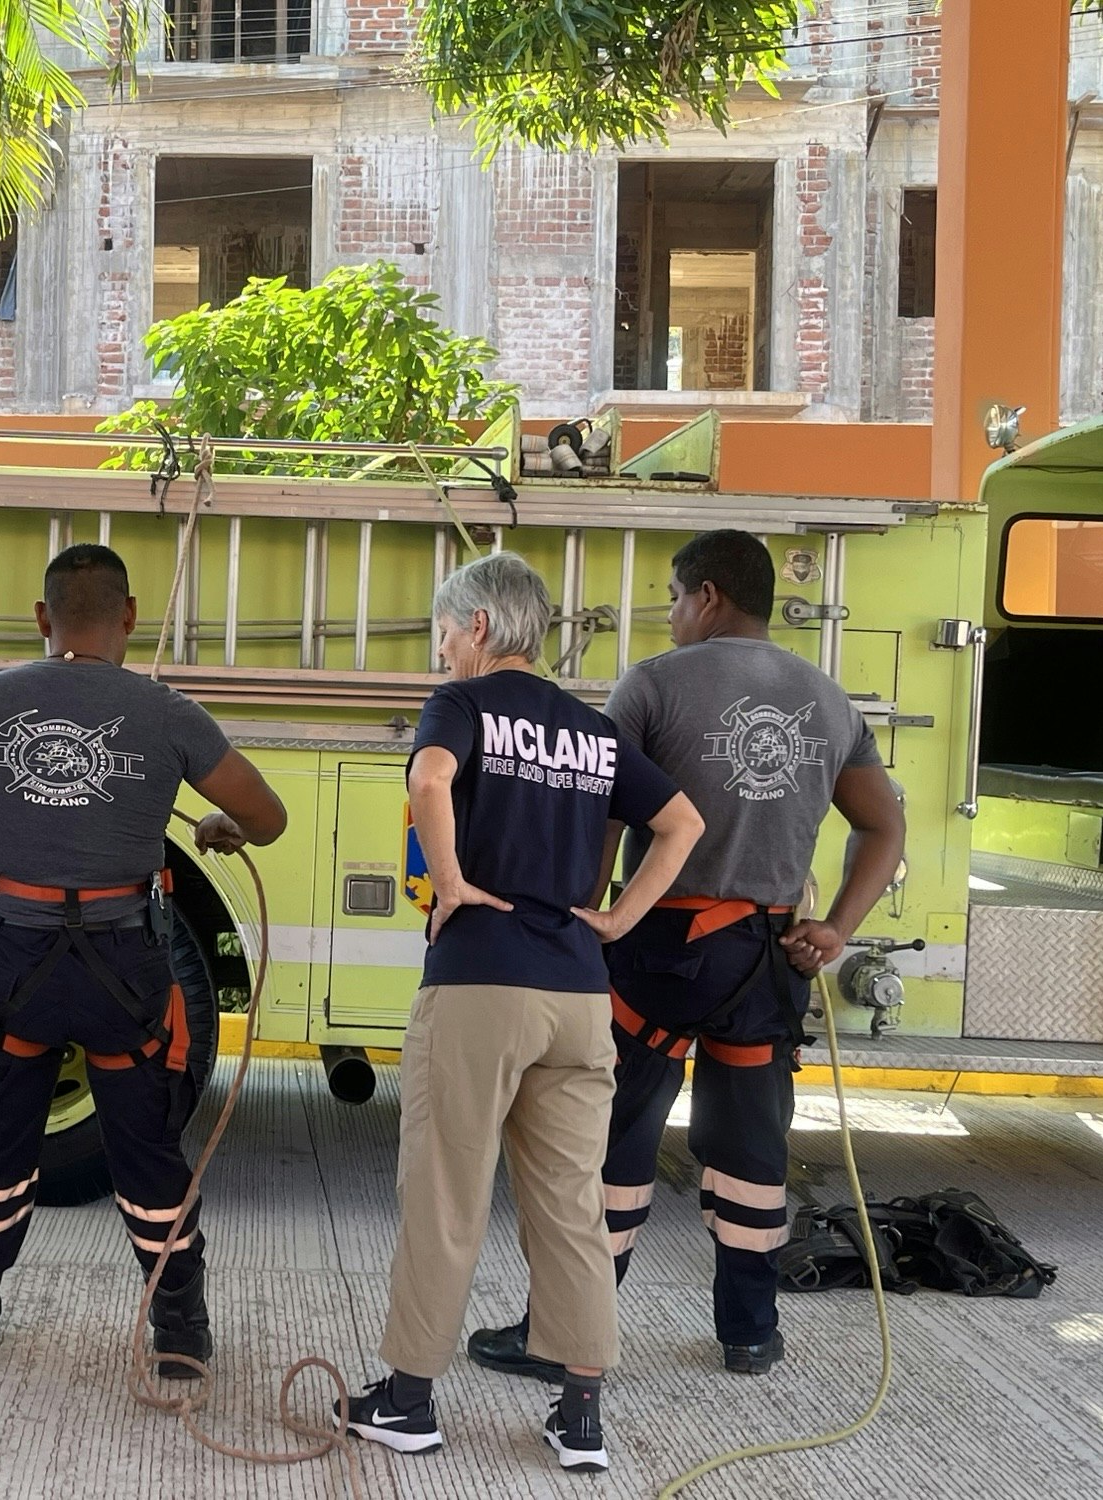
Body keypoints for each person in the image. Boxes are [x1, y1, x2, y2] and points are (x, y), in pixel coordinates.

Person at [469, 529, 905, 1382]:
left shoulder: (654, 685)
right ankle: (749, 1334)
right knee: (752, 1154)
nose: (669, 617)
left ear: (707, 595)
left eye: (673, 598)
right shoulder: (829, 699)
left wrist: (582, 924)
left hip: (659, 952)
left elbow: (603, 817)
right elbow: (884, 826)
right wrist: (840, 928)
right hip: (771, 961)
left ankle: (562, 1332)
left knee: (608, 1143)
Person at [346, 551, 703, 1474]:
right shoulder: (591, 730)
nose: (440, 650)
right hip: (579, 995)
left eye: (442, 631)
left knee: (445, 1193)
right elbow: (682, 825)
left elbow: (429, 781)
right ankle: (580, 1414)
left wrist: (456, 882)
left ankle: (410, 1401)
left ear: (475, 627)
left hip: (481, 986)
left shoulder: (462, 707)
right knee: (571, 1205)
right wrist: (619, 918)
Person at [0, 543, 287, 1374]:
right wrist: (217, 828)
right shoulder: (167, 713)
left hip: (13, 957)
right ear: (129, 616)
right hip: (120, 962)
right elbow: (265, 817)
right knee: (145, 1149)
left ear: (41, 617)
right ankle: (179, 1335)